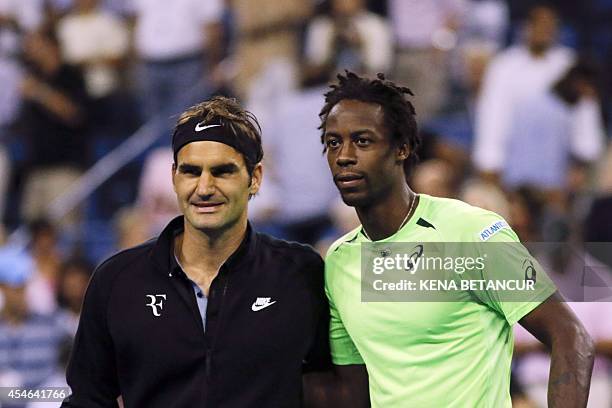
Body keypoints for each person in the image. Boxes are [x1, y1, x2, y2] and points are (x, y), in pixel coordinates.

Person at [319, 71, 594, 407]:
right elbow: (353, 389)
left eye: (363, 141)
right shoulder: (339, 260)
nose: (344, 156)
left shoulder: (471, 232)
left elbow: (570, 336)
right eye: (333, 143)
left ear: (401, 148)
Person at [62, 97, 331, 407]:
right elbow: (87, 399)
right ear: (175, 177)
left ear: (255, 178)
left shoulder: (300, 272)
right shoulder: (116, 280)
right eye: (191, 171)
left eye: (222, 171)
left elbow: (328, 387)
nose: (204, 188)